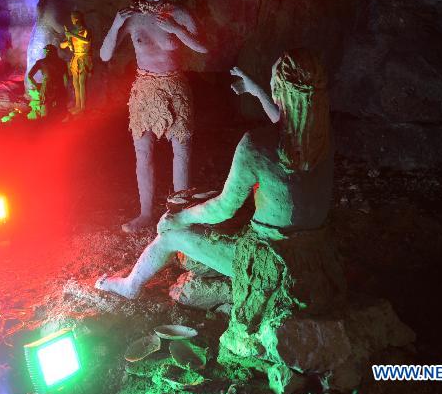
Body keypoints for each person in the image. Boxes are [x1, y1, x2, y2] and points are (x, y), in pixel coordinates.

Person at [95, 49, 332, 299]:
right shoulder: (323, 139)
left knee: (170, 235)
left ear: (278, 91)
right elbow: (288, 125)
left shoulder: (256, 144)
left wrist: (180, 219)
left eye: (272, 83)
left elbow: (224, 209)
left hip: (267, 263)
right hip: (313, 257)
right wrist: (256, 91)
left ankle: (130, 286)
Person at [100, 0, 208, 232]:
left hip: (174, 86)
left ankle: (181, 213)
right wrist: (115, 25)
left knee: (181, 149)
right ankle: (145, 213)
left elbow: (203, 47)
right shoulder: (132, 16)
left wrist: (176, 29)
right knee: (143, 151)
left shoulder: (178, 14)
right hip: (145, 88)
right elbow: (104, 55)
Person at [60, 10, 93, 113]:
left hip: (84, 57)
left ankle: (83, 107)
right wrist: (67, 42)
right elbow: (62, 45)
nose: (73, 20)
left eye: (73, 18)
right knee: (75, 83)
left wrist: (72, 35)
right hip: (75, 58)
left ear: (77, 19)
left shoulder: (87, 30)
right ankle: (77, 105)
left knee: (82, 82)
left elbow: (86, 40)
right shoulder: (72, 32)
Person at [27, 44, 69, 119]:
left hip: (47, 87)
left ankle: (46, 124)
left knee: (46, 111)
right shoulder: (62, 62)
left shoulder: (41, 62)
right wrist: (65, 90)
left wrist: (37, 85)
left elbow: (30, 76)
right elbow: (66, 78)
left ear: (46, 52)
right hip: (59, 87)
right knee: (60, 111)